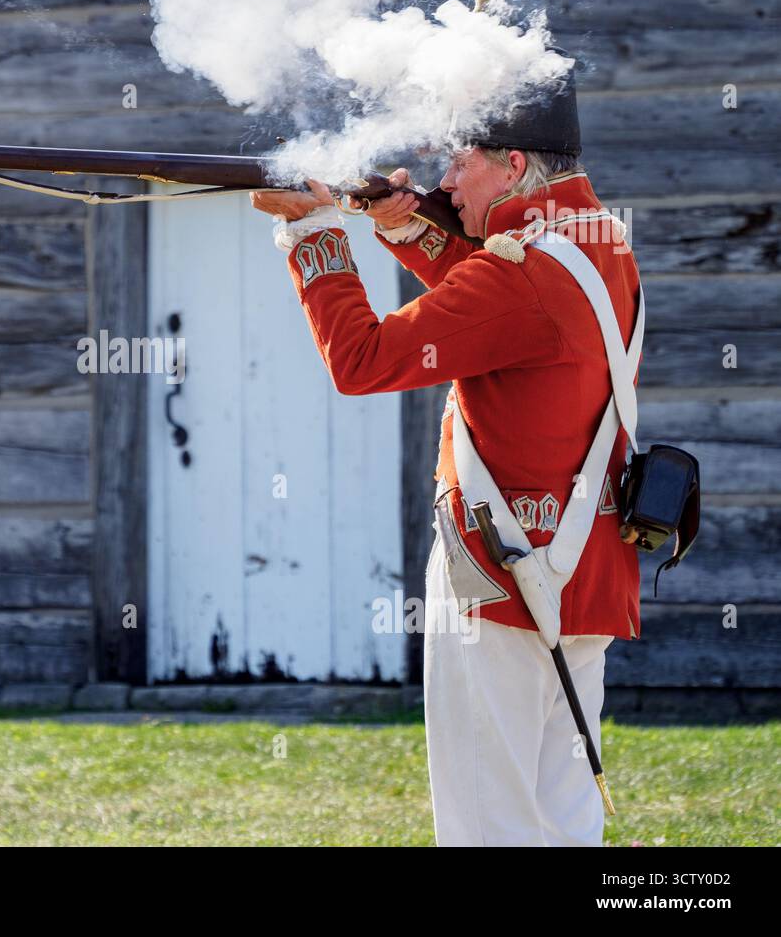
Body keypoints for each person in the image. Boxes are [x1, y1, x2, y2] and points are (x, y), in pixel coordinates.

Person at [251, 76, 643, 846]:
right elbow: (491, 301)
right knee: (560, 813)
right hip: (581, 570)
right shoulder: (594, 240)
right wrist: (404, 226)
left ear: (514, 165)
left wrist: (317, 234)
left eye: (462, 162)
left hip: (499, 579)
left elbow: (361, 361)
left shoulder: (523, 270)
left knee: (486, 820)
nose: (445, 181)